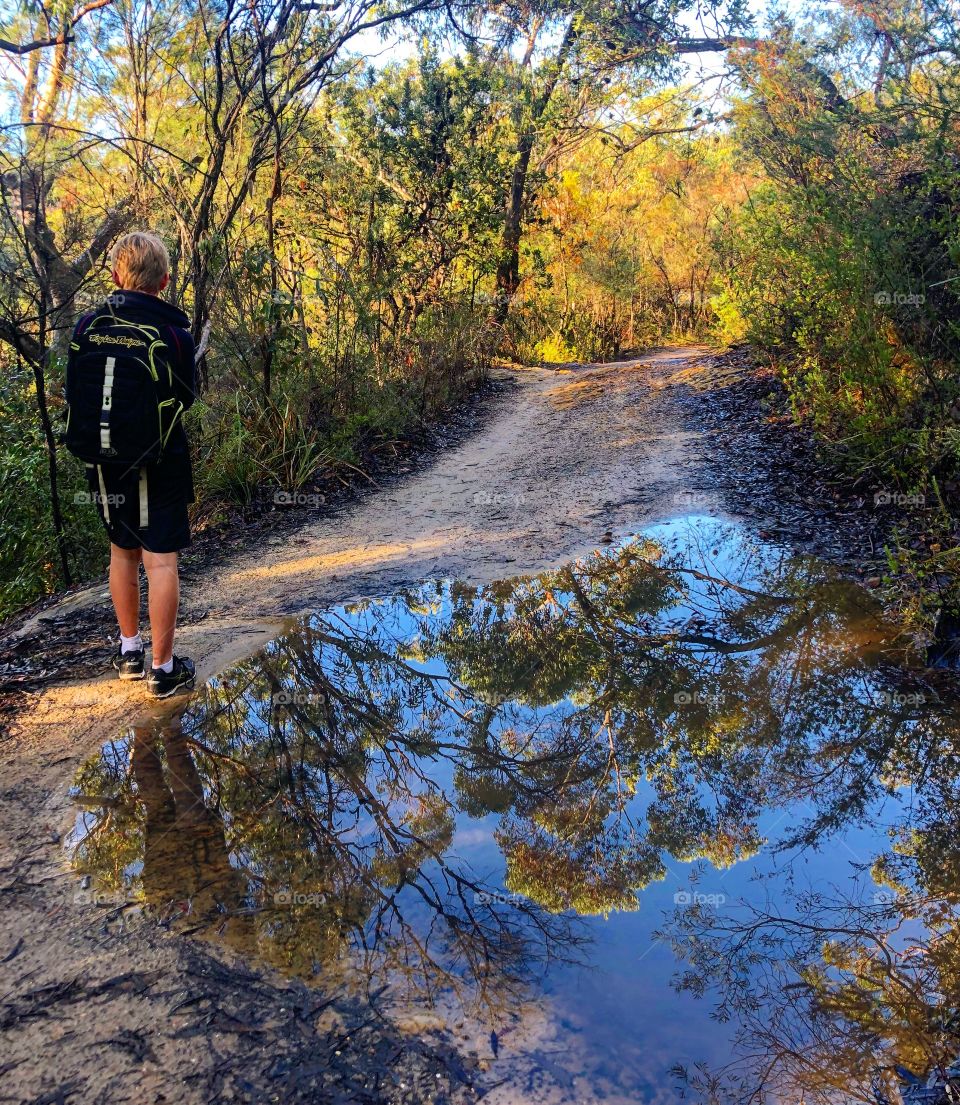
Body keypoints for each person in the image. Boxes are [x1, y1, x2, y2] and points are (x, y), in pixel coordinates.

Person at [66, 231, 197, 698]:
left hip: (101, 459)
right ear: (163, 281)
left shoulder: (85, 327)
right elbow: (186, 397)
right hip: (158, 460)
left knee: (121, 552)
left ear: (117, 274)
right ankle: (163, 670)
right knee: (161, 562)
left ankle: (129, 654)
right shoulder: (175, 337)